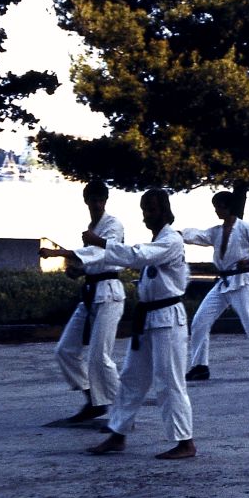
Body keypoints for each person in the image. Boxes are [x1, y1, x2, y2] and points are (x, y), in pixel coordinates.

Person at [49, 189, 196, 460]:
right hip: (148, 318)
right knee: (130, 379)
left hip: (168, 320)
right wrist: (83, 264)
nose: (146, 216)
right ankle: (117, 434)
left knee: (169, 382)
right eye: (144, 210)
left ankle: (185, 442)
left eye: (151, 210)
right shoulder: (158, 239)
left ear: (164, 210)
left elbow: (136, 255)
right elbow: (128, 257)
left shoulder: (171, 240)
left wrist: (102, 243)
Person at [39, 180, 125, 424]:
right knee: (65, 350)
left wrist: (58, 254)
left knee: (100, 357)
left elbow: (101, 253)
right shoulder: (91, 226)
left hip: (110, 293)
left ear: (106, 201)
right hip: (91, 291)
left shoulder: (113, 225)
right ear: (85, 200)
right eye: (93, 199)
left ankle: (122, 412)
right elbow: (91, 262)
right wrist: (77, 270)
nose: (97, 204)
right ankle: (94, 401)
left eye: (101, 200)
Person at [182, 191, 249, 382]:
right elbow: (198, 235)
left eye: (220, 207)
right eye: (215, 207)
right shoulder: (216, 231)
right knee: (199, 321)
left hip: (241, 283)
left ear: (229, 207)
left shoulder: (246, 228)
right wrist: (178, 234)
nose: (217, 210)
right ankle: (200, 366)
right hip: (223, 283)